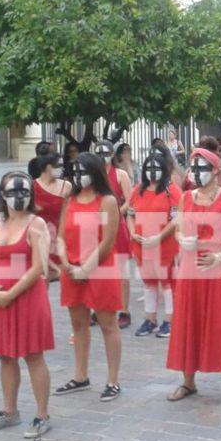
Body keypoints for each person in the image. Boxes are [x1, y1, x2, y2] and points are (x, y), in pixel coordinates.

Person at [166, 145, 221, 407]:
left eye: (202, 168)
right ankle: (188, 381)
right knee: (189, 319)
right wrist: (182, 239)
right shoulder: (186, 197)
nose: (197, 173)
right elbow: (178, 229)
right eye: (193, 168)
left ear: (216, 170)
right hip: (192, 269)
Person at [0, 172, 54, 439]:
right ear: (2, 195)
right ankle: (9, 411)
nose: (18, 197)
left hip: (27, 297)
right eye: (12, 192)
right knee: (5, 356)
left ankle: (42, 415)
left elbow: (39, 266)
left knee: (33, 355)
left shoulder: (36, 224)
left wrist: (11, 293)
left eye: (24, 192)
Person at [54, 153, 123, 402]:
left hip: (100, 270)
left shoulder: (107, 201)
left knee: (108, 324)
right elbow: (60, 236)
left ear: (95, 172)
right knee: (78, 324)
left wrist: (86, 268)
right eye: (75, 172)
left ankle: (113, 380)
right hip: (72, 270)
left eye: (83, 172)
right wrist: (66, 263)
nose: (78, 176)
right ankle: (80, 376)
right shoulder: (70, 200)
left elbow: (107, 241)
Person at [128, 151, 182, 338]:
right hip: (141, 246)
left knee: (168, 283)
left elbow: (177, 219)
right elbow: (130, 214)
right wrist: (132, 232)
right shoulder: (138, 190)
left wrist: (159, 237)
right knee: (148, 283)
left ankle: (170, 320)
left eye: (156, 168)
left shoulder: (171, 191)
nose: (152, 172)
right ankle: (150, 319)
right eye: (149, 168)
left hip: (165, 246)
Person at [95, 140, 134, 330]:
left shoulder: (120, 174)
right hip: (97, 226)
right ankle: (100, 308)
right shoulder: (93, 175)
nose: (102, 157)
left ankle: (124, 311)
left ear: (112, 154)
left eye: (105, 153)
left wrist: (116, 213)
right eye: (99, 154)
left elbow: (130, 200)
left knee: (122, 271)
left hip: (117, 225)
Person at [33, 153, 71, 280]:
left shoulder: (66, 186)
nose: (62, 169)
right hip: (39, 237)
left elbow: (69, 212)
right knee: (41, 277)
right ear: (48, 167)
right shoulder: (32, 187)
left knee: (64, 276)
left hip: (60, 236)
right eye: (59, 165)